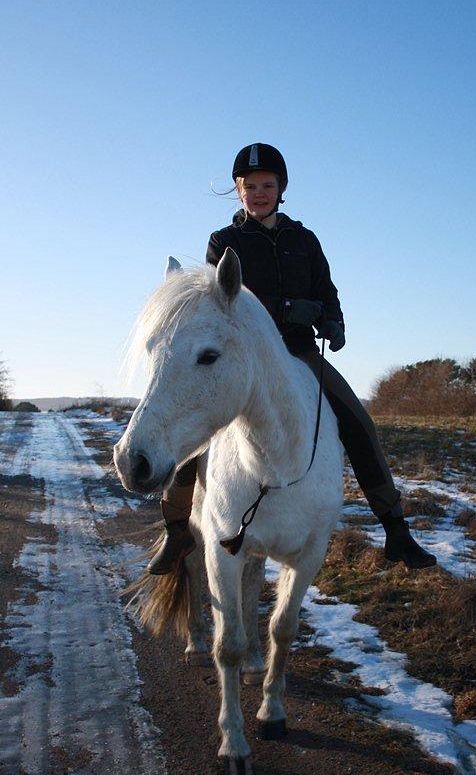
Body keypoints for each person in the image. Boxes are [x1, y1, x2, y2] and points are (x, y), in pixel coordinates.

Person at [148, 142, 437, 575]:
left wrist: (334, 323)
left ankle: (395, 528)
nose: (259, 193)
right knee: (197, 430)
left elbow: (327, 292)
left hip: (300, 353)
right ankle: (176, 530)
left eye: (268, 185)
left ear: (281, 189)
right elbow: (216, 302)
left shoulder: (305, 240)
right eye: (250, 186)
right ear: (238, 191)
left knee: (358, 422)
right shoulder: (224, 242)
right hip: (246, 357)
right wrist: (285, 310)